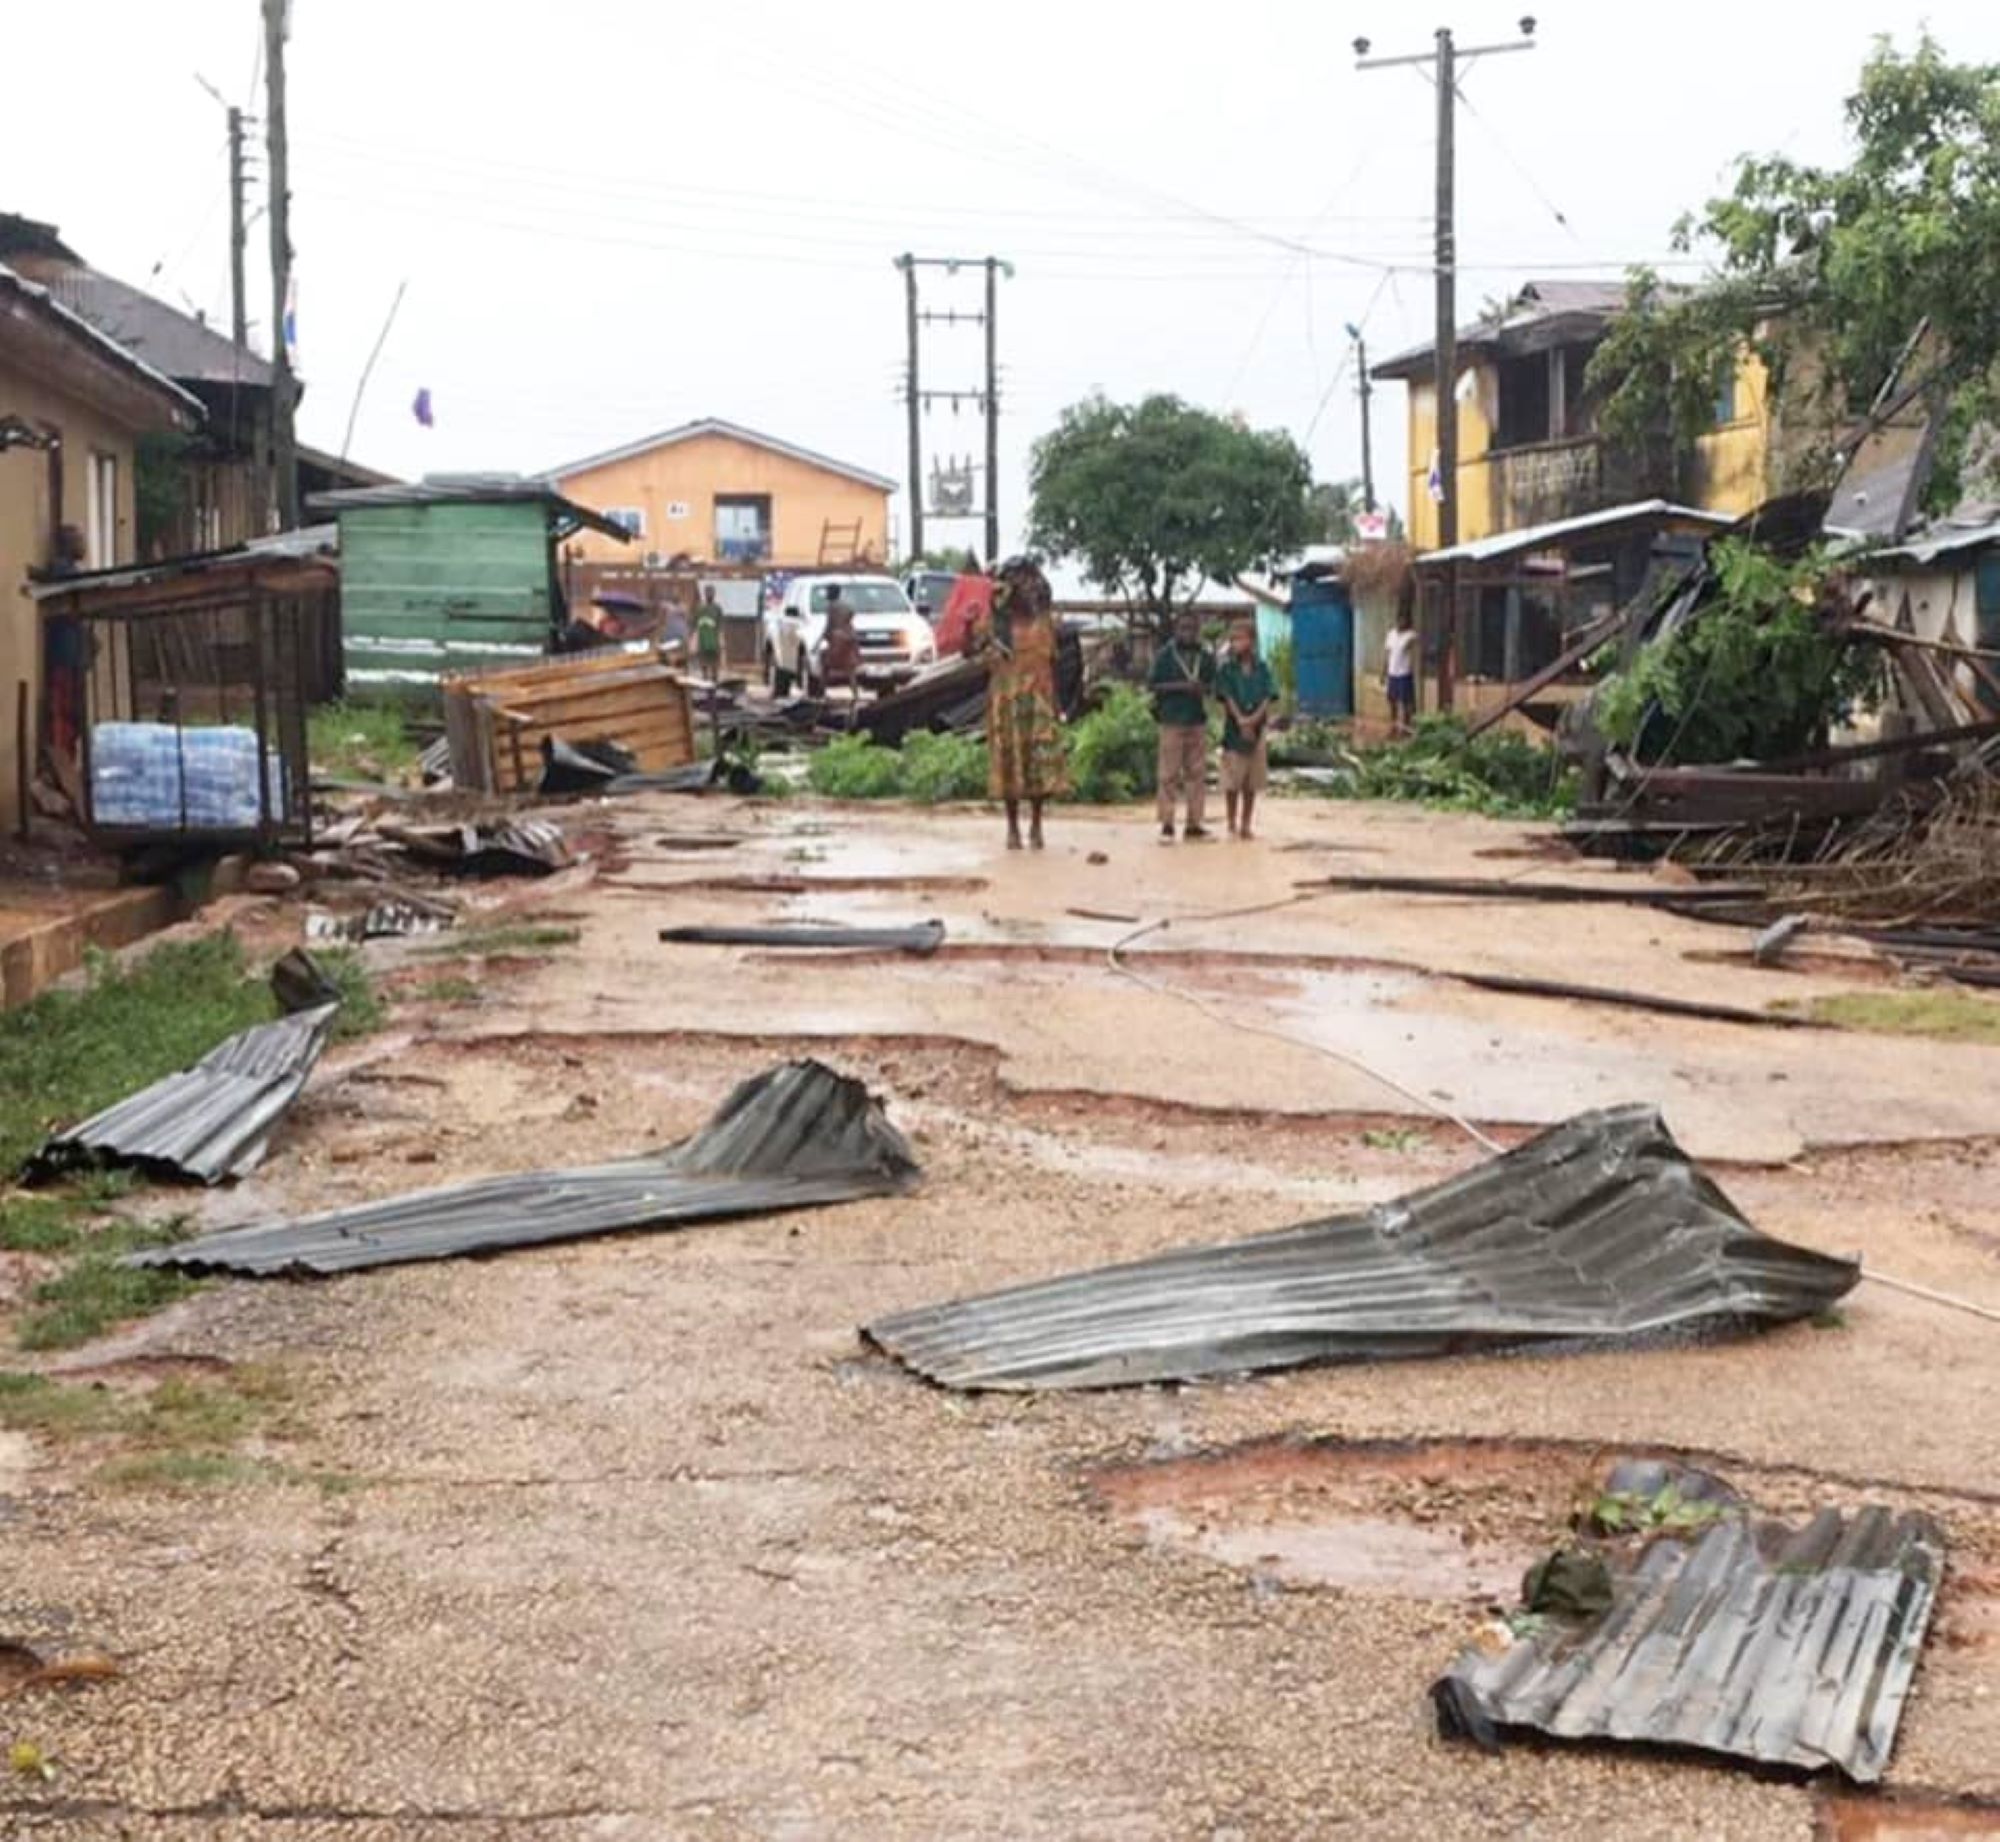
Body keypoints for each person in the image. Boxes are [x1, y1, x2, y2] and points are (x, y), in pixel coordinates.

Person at [975, 556, 1066, 849]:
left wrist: (1059, 705)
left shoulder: (1043, 623)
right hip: (1006, 703)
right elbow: (970, 650)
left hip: (1039, 699)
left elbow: (1053, 663)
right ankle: (1012, 827)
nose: (1023, 588)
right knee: (1009, 765)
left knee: (1040, 766)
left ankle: (1037, 825)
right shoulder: (996, 625)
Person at [1150, 610, 1215, 840]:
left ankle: (1194, 824)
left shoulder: (1205, 657)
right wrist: (1181, 686)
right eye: (1183, 628)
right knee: (1168, 774)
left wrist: (1202, 689)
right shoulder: (1164, 656)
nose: (1187, 633)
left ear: (1197, 631)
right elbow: (1154, 686)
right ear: (1176, 630)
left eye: (1192, 628)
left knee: (1196, 774)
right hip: (1171, 720)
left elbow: (1212, 687)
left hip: (1196, 719)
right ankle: (1167, 824)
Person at [1215, 618, 1276, 841]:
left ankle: (1246, 824)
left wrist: (1253, 721)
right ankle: (1231, 822)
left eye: (1239, 638)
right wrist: (1242, 721)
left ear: (1251, 640)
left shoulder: (1263, 668)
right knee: (1232, 781)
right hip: (1233, 732)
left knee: (1251, 782)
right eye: (1232, 639)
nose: (1235, 643)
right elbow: (1227, 698)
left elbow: (1268, 697)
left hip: (1257, 731)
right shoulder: (1227, 670)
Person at [1385, 606, 1419, 737]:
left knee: (1406, 703)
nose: (1401, 623)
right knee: (1392, 701)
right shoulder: (1391, 634)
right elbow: (1387, 653)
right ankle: (1393, 726)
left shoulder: (1410, 635)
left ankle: (1406, 728)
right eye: (1400, 620)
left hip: (1404, 673)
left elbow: (1414, 642)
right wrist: (1384, 672)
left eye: (1404, 620)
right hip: (1392, 672)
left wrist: (1409, 642)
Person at [692, 588, 724, 684]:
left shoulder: (717, 608)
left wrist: (721, 639)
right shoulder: (699, 608)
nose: (709, 595)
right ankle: (704, 677)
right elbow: (695, 625)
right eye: (707, 593)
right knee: (703, 659)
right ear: (704, 594)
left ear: (714, 594)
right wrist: (694, 641)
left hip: (713, 639)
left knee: (714, 659)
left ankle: (715, 677)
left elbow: (720, 625)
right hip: (703, 639)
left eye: (711, 593)